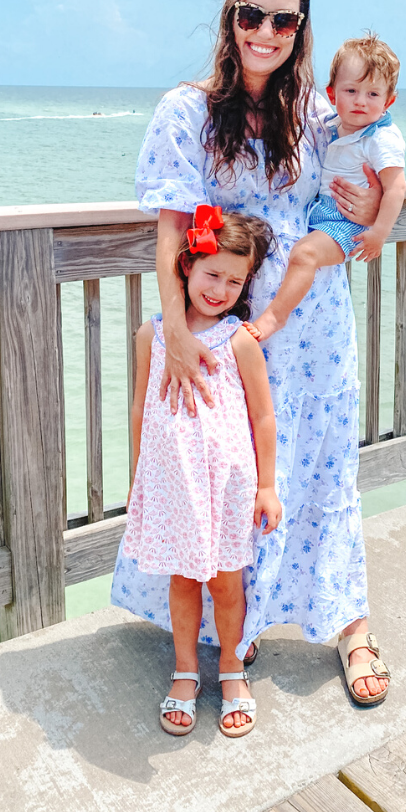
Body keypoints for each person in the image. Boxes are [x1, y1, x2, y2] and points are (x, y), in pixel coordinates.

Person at [116, 0, 391, 710]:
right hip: (229, 328)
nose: (265, 31)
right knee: (233, 471)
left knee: (326, 464)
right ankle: (246, 617)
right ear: (230, 19)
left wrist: (371, 212)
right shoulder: (187, 110)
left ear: (300, 32)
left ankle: (349, 621)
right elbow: (174, 227)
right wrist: (174, 326)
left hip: (315, 321)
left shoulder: (315, 112)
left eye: (283, 20)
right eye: (251, 15)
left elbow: (369, 173)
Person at [120, 209, 280, 737]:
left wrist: (267, 486)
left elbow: (262, 414)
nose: (221, 289)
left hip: (228, 488)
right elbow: (141, 407)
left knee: (228, 585)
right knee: (184, 581)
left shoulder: (239, 340)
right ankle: (185, 671)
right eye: (212, 273)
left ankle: (232, 670)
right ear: (185, 266)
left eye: (235, 281)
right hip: (172, 486)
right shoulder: (153, 335)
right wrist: (138, 476)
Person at [252, 34, 406, 340]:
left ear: (389, 100)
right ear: (331, 93)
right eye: (351, 91)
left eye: (373, 94)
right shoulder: (332, 124)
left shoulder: (381, 139)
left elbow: (396, 188)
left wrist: (379, 232)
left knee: (304, 255)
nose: (361, 101)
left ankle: (273, 318)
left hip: (346, 223)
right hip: (321, 214)